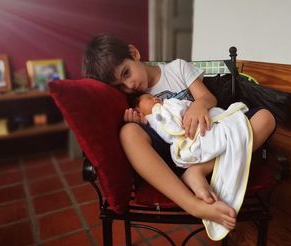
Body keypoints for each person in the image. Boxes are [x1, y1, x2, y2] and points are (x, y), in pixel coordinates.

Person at [82, 34, 276, 233]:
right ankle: (193, 205)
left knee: (265, 118)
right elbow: (147, 135)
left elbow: (208, 98)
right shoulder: (132, 98)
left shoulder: (177, 68)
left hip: (208, 137)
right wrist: (137, 122)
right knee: (128, 132)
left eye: (126, 73)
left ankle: (198, 171)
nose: (129, 85)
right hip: (172, 154)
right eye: (120, 86)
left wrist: (199, 105)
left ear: (134, 53)